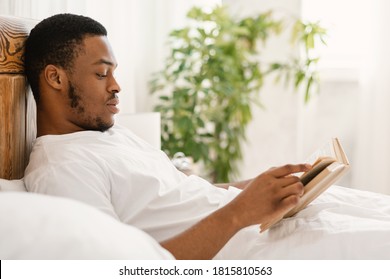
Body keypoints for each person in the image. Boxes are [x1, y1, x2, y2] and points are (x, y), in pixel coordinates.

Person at [24, 14, 390, 260]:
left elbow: (178, 197)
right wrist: (238, 213)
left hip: (258, 224)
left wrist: (262, 188)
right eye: (102, 74)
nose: (117, 86)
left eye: (114, 73)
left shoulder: (107, 135)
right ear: (56, 78)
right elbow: (128, 267)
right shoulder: (62, 169)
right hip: (251, 249)